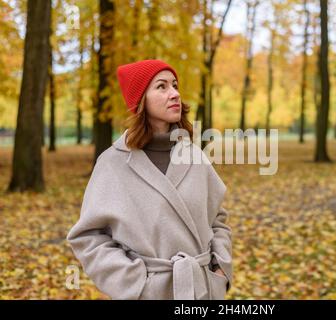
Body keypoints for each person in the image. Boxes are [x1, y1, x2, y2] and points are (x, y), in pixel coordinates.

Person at [66, 59, 232, 300]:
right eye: (162, 87)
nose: (174, 94)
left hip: (202, 290)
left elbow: (218, 219)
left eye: (175, 85)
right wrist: (134, 284)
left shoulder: (194, 156)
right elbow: (88, 236)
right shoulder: (113, 163)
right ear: (140, 99)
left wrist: (221, 269)